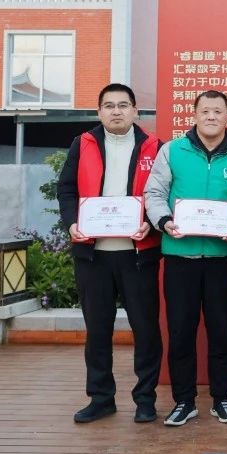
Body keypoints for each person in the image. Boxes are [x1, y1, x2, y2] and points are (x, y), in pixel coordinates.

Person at [57, 83, 162, 424]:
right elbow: (66, 189)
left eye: (123, 105)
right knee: (98, 330)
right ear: (99, 111)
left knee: (145, 330)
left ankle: (145, 399)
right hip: (93, 255)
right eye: (109, 105)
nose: (116, 111)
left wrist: (151, 223)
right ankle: (101, 398)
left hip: (138, 253)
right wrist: (72, 223)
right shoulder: (82, 143)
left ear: (135, 111)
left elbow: (164, 194)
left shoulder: (155, 147)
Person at [143, 90, 227, 427]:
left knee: (221, 331)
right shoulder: (172, 151)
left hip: (221, 257)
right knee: (180, 331)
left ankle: (222, 399)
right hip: (179, 256)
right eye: (205, 111)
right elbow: (154, 192)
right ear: (195, 114)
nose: (211, 117)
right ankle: (184, 401)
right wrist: (163, 221)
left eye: (218, 111)